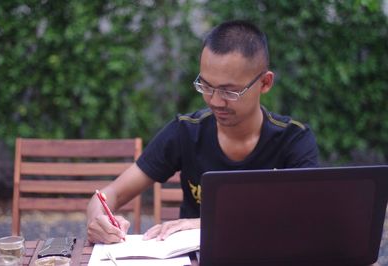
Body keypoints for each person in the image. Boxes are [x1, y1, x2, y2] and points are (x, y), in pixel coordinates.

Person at [86, 20, 319, 244]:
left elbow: (308, 218)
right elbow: (108, 194)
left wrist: (203, 224)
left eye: (230, 92)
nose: (215, 101)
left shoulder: (293, 140)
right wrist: (98, 219)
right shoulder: (186, 132)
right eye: (206, 86)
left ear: (265, 83)